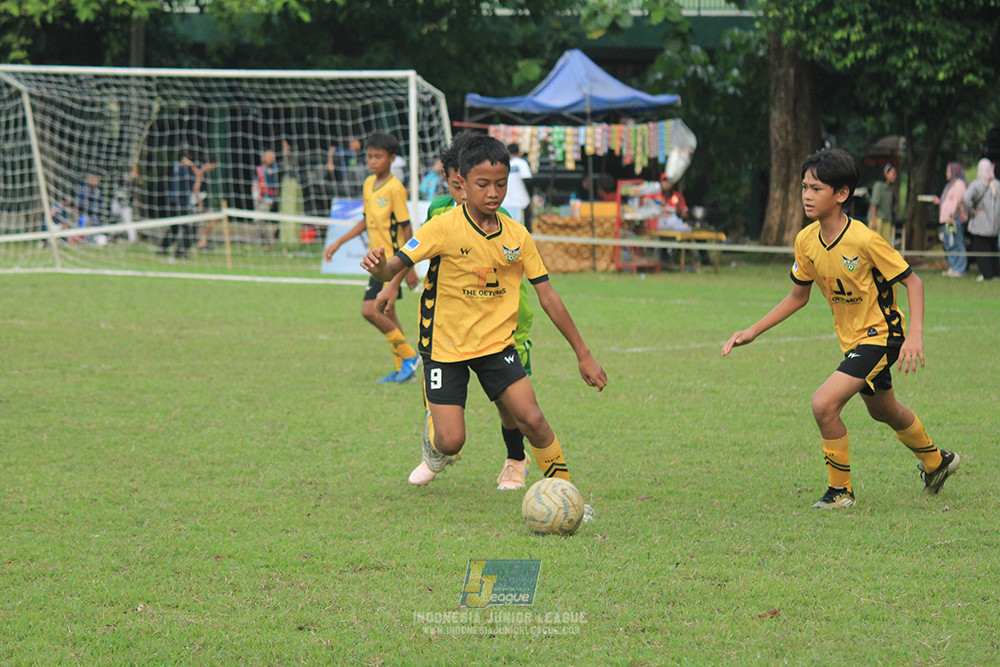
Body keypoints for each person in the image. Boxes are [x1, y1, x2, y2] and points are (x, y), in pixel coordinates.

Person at [361, 135, 607, 490]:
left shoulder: (518, 236)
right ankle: (435, 443)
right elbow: (393, 266)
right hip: (445, 346)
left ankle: (565, 493)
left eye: (501, 184)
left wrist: (583, 354)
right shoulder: (442, 226)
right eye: (483, 184)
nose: (493, 193)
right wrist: (380, 270)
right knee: (451, 441)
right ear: (462, 182)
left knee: (533, 419)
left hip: (495, 345)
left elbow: (549, 297)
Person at [722, 147, 959, 510]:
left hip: (881, 336)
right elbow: (798, 296)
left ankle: (840, 492)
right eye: (804, 187)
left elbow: (914, 282)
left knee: (824, 404)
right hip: (853, 342)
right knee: (883, 410)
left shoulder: (864, 239)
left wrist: (916, 335)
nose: (806, 195)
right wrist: (752, 331)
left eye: (816, 188)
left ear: (841, 194)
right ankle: (936, 461)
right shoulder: (806, 241)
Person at [380, 131, 537, 489]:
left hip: (503, 324)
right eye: (457, 187)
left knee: (509, 404)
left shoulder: (501, 217)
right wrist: (391, 284)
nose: (467, 196)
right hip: (451, 325)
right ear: (457, 180)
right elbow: (414, 250)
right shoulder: (439, 212)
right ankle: (436, 448)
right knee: (445, 401)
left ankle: (516, 460)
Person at [323, 132, 421, 383]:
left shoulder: (395, 189)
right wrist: (339, 242)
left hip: (391, 262)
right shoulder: (369, 184)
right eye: (369, 156)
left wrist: (410, 266)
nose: (372, 161)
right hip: (376, 263)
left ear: (392, 158)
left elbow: (406, 228)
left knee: (370, 310)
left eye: (378, 156)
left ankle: (409, 355)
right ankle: (404, 370)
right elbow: (366, 221)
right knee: (388, 313)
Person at [961, 158, 1000, 281]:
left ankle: (986, 274)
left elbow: (966, 198)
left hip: (981, 225)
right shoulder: (997, 184)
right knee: (993, 250)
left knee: (982, 250)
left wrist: (972, 211)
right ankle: (996, 273)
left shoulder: (977, 184)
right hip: (995, 225)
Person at [930, 161, 968, 277]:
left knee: (956, 242)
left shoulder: (959, 184)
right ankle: (953, 266)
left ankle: (960, 268)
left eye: (948, 171)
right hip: (946, 220)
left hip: (953, 219)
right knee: (948, 244)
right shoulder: (950, 184)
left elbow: (956, 201)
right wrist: (939, 202)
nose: (947, 173)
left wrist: (952, 215)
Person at [159, 151, 199, 258]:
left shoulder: (175, 166)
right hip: (181, 202)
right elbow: (198, 179)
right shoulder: (185, 170)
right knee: (190, 228)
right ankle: (180, 252)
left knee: (174, 228)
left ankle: (162, 248)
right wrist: (192, 166)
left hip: (173, 201)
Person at [253, 148, 281, 248]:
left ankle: (269, 242)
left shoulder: (276, 168)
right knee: (259, 220)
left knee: (260, 219)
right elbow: (256, 182)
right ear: (263, 157)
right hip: (259, 197)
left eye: (272, 156)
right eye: (268, 156)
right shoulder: (258, 169)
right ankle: (262, 242)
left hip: (270, 198)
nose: (271, 158)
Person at [868, 163, 897, 244]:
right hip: (877, 219)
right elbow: (874, 203)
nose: (895, 176)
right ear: (886, 174)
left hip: (887, 219)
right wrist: (873, 220)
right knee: (875, 243)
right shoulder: (878, 186)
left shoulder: (890, 188)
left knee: (886, 244)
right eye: (893, 173)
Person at [504, 143, 533, 225]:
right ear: (519, 153)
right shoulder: (521, 163)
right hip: (521, 202)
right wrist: (530, 196)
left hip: (505, 202)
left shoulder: (504, 165)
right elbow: (528, 181)